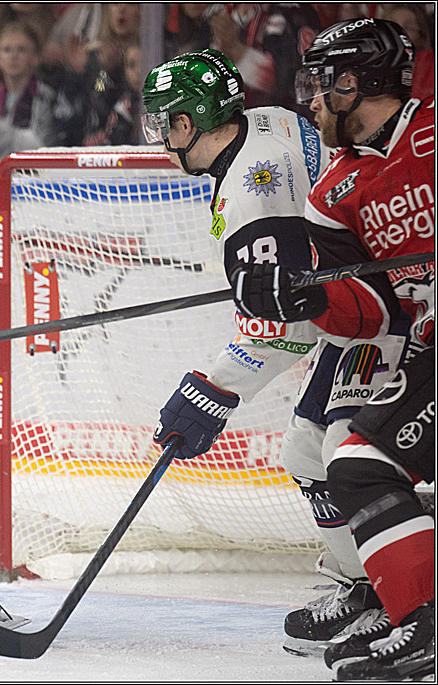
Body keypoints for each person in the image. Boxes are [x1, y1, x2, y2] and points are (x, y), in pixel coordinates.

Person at [141, 48, 407, 657]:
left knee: (336, 452)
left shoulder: (252, 199)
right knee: (311, 448)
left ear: (188, 123)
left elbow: (294, 323)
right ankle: (368, 584)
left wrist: (214, 389)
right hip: (367, 298)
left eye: (163, 123)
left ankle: (392, 594)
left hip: (378, 312)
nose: (159, 139)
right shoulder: (268, 121)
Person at [229, 18, 434, 680]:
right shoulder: (332, 193)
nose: (311, 100)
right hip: (417, 339)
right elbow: (371, 309)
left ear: (356, 84)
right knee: (341, 456)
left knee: (358, 456)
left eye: (322, 85)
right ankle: (395, 599)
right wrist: (304, 298)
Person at [0, 20, 61, 163]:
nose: (13, 56)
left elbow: (43, 150)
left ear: (36, 58)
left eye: (21, 50)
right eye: (7, 50)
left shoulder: (47, 98)